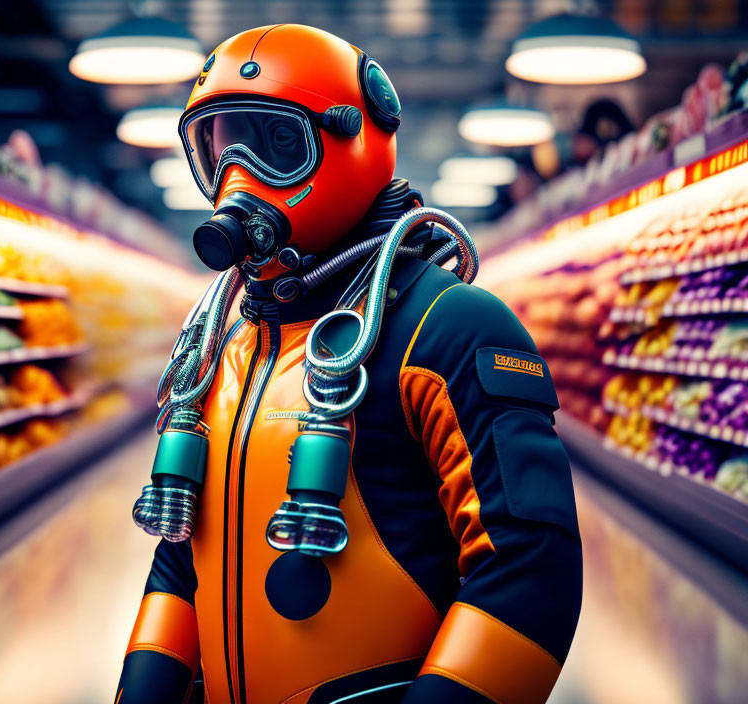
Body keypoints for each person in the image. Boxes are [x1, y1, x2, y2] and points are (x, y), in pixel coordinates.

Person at [116, 24, 582, 704]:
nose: (236, 178)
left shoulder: (451, 329)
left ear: (353, 139)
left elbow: (529, 573)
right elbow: (183, 556)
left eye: (276, 144)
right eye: (218, 146)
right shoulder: (221, 338)